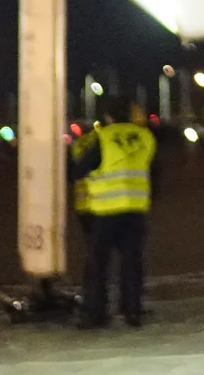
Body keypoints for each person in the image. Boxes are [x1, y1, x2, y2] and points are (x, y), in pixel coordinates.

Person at [67, 108, 158, 329]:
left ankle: (95, 314)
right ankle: (132, 310)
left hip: (106, 210)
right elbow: (154, 171)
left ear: (108, 116)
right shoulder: (145, 136)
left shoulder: (104, 137)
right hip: (135, 209)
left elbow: (79, 170)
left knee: (97, 264)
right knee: (132, 262)